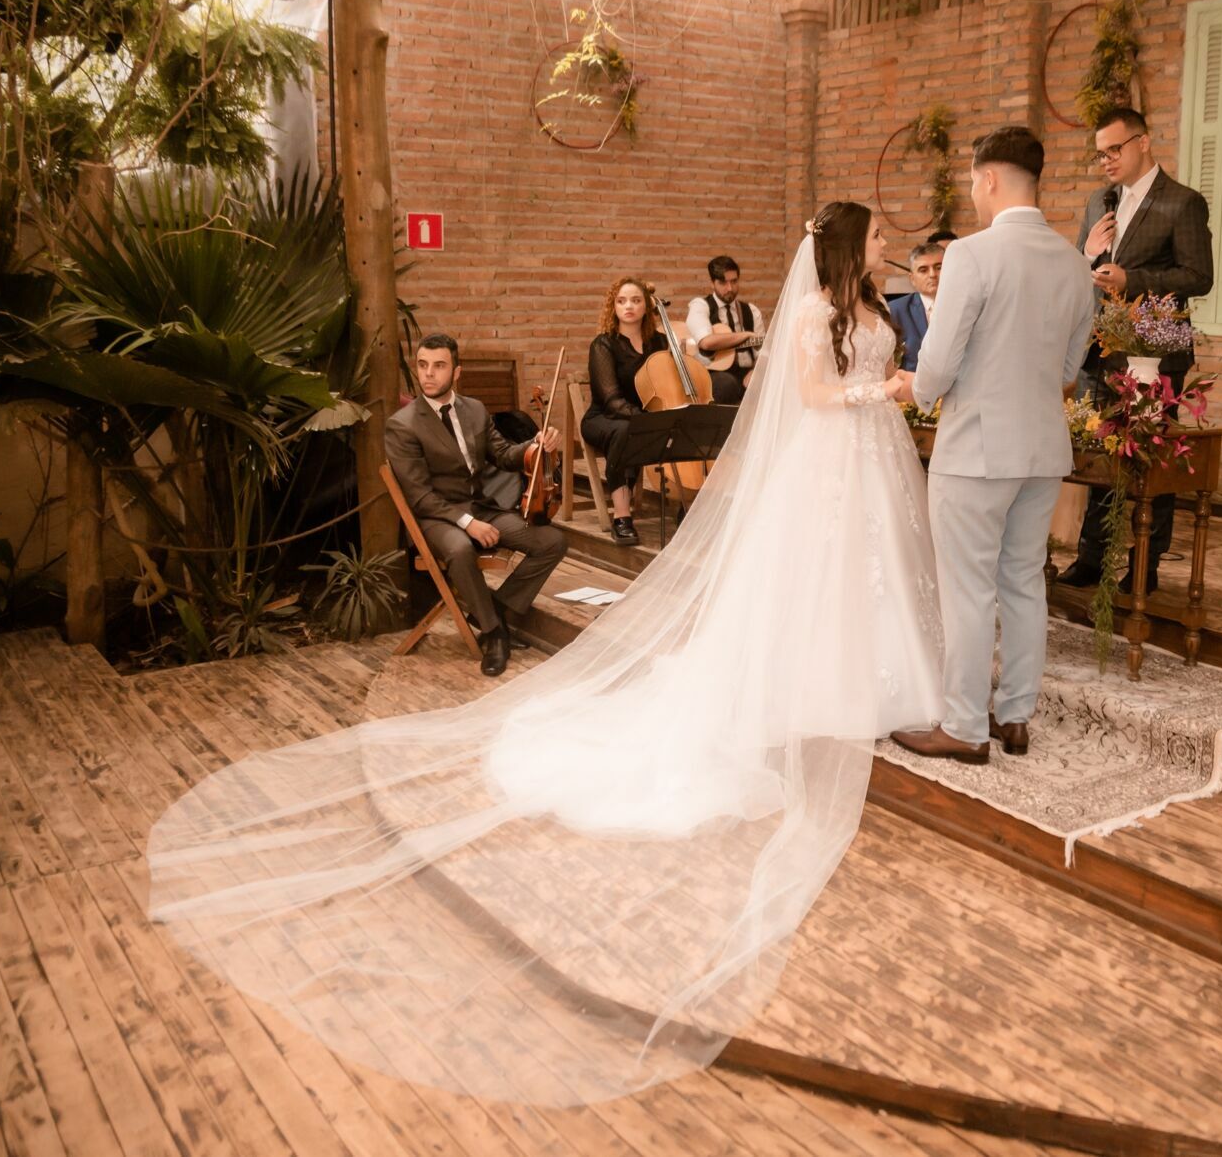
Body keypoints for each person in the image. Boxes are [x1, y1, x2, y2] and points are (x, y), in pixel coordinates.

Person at [147, 201, 942, 1108]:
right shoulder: (809, 317)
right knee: (811, 581)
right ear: (847, 246)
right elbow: (806, 395)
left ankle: (876, 682)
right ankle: (506, 633)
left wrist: (900, 379)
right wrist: (886, 391)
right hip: (834, 453)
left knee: (870, 577)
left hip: (872, 459)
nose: (889, 243)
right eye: (877, 235)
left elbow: (504, 443)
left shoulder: (875, 310)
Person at [891, 126, 1096, 762]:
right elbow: (1068, 368)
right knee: (1023, 582)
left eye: (972, 184)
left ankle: (961, 726)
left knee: (967, 589)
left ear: (987, 179)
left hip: (977, 450)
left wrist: (913, 387)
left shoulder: (973, 256)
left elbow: (940, 362)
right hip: (1042, 449)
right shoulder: (1073, 263)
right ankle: (1014, 718)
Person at [1056, 105, 1214, 596]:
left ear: (1144, 142)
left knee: (1148, 460)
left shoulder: (1182, 202)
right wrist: (1085, 258)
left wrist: (1133, 280)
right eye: (1100, 153)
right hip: (1099, 351)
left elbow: (1198, 277)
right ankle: (1091, 558)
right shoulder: (1097, 203)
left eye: (1114, 149)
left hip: (1153, 353)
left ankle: (1144, 565)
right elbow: (1081, 271)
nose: (1106, 161)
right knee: (1097, 457)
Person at [384, 334, 568, 677]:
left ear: (456, 372)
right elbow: (421, 496)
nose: (428, 374)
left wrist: (535, 444)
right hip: (438, 517)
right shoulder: (402, 425)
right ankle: (494, 632)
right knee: (459, 551)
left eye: (439, 366)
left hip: (482, 506)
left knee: (552, 542)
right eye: (423, 365)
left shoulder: (474, 409)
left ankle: (495, 608)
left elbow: (503, 456)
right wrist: (468, 523)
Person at [582, 277, 661, 547]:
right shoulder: (603, 345)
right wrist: (649, 420)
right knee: (627, 429)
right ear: (612, 307)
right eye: (622, 301)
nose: (629, 306)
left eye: (636, 300)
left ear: (646, 307)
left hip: (644, 417)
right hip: (605, 418)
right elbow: (612, 400)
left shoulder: (659, 343)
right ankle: (622, 517)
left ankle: (685, 502)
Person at [685, 255, 765, 403]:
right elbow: (706, 342)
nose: (730, 288)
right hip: (713, 373)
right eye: (723, 282)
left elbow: (764, 352)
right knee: (727, 384)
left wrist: (756, 371)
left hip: (746, 373)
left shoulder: (751, 311)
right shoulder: (700, 306)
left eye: (734, 281)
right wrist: (745, 335)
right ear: (712, 283)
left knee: (769, 380)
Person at [889, 241, 943, 373]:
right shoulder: (895, 311)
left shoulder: (967, 306)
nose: (932, 274)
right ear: (912, 279)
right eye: (923, 270)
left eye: (939, 267)